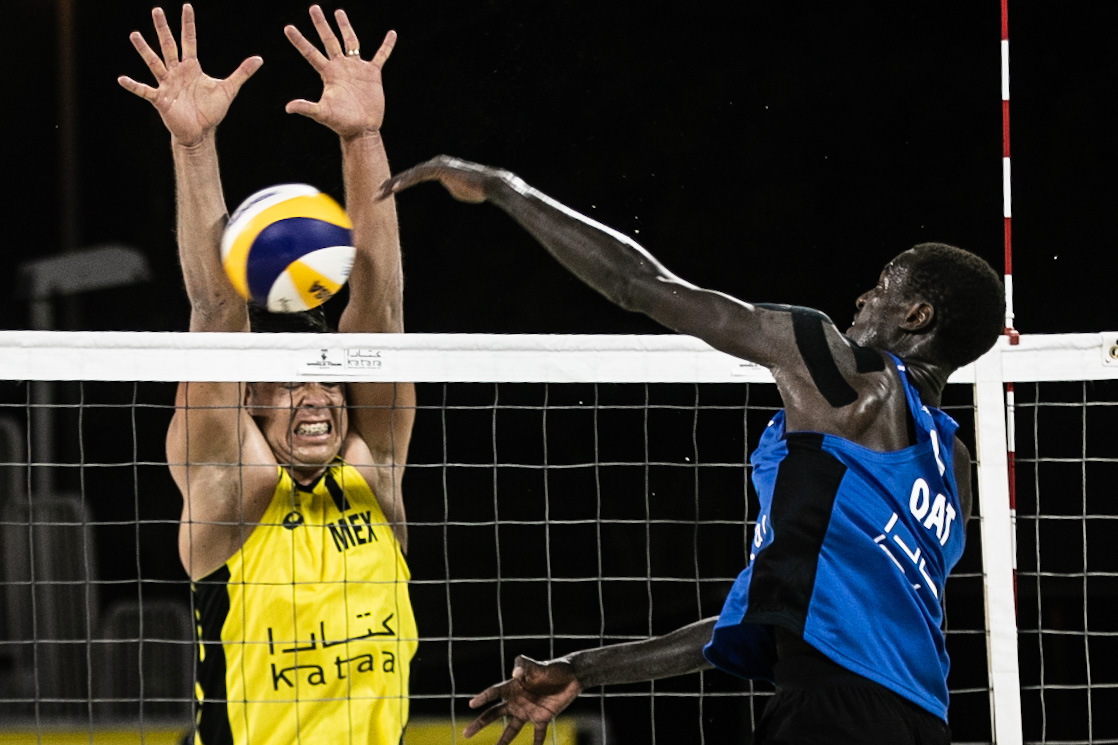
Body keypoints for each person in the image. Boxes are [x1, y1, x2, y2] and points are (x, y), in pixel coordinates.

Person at [379, 156, 1005, 744]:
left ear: (917, 316)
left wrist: (501, 187)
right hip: (922, 718)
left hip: (832, 709)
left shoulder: (850, 380)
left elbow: (638, 284)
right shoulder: (953, 464)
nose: (864, 298)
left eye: (882, 286)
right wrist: (583, 669)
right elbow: (767, 611)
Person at [120, 5, 416, 744]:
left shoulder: (369, 464)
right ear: (249, 398)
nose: (317, 398)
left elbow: (379, 305)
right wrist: (194, 148)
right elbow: (216, 311)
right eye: (289, 383)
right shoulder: (233, 484)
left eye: (325, 380)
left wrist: (364, 138)